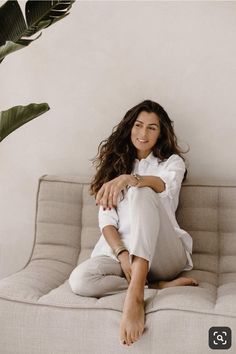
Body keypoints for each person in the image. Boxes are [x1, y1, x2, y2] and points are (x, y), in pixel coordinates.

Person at [69, 99, 198, 347]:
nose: (143, 133)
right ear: (130, 128)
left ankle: (136, 295)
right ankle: (156, 286)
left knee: (142, 191)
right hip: (124, 254)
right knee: (80, 281)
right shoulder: (113, 169)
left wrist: (131, 179)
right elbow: (106, 221)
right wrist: (121, 253)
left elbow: (164, 187)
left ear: (161, 133)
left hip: (164, 254)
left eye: (152, 127)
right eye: (139, 125)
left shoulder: (172, 163)